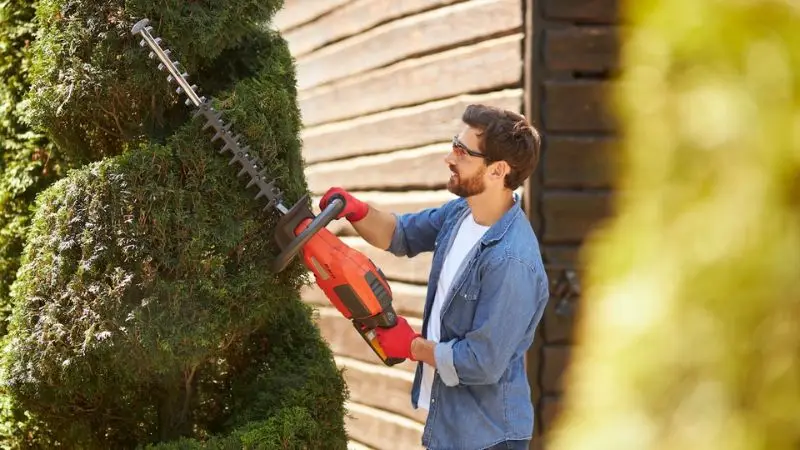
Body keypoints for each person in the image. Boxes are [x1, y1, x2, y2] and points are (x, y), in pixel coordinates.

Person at [318, 104, 549, 450]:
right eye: (454, 144)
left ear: (498, 170)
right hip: (452, 424)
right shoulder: (461, 213)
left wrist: (413, 347)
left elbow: (481, 362)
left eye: (463, 152)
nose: (449, 158)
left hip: (488, 436)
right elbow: (400, 234)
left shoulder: (511, 260)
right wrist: (357, 211)